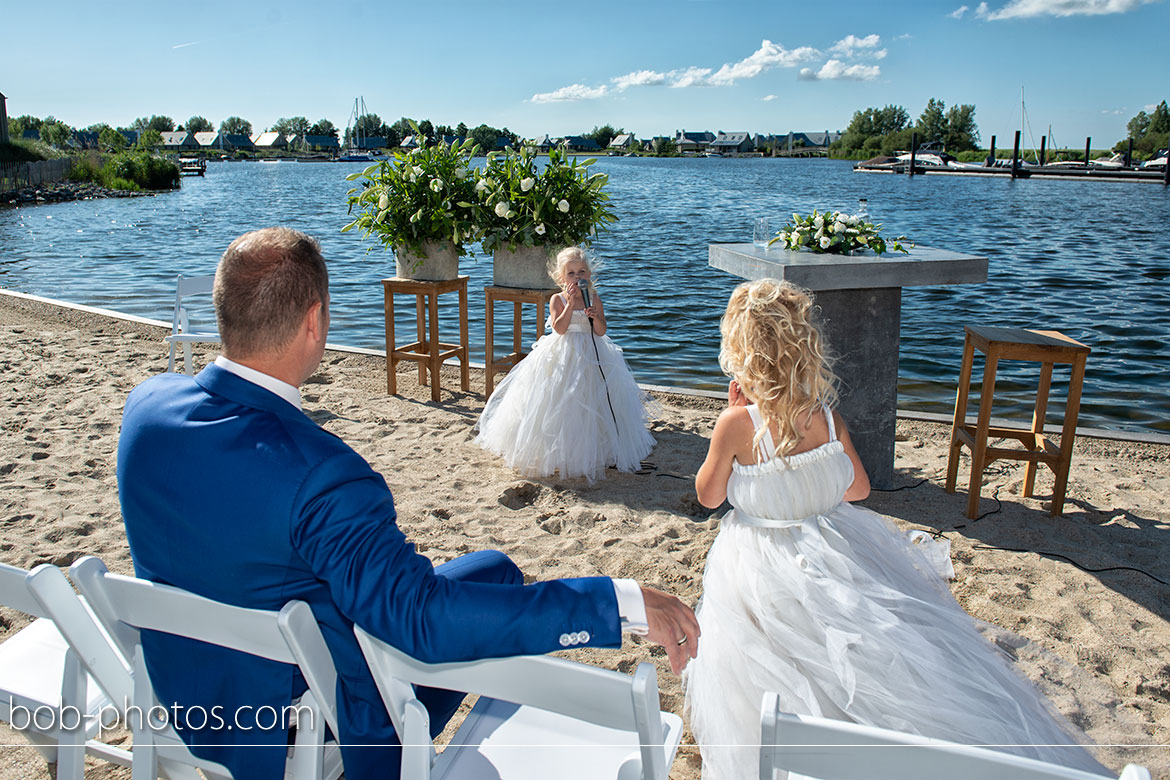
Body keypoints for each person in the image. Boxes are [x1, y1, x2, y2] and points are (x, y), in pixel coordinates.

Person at [116, 228, 699, 780]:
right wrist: (617, 602)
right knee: (488, 583)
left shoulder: (145, 410)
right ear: (316, 321)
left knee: (493, 569)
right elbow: (422, 620)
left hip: (185, 699)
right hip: (301, 726)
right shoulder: (322, 473)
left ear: (224, 311)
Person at [682, 279, 1104, 780]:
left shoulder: (736, 424)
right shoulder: (826, 417)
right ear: (803, 345)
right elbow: (858, 490)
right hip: (833, 546)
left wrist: (733, 416)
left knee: (760, 660)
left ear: (741, 351)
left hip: (755, 566)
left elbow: (708, 497)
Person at [475, 246, 654, 482]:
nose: (577, 277)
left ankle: (598, 449)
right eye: (571, 273)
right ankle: (558, 452)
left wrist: (594, 317)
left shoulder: (595, 298)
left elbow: (601, 331)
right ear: (561, 278)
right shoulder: (557, 299)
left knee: (592, 398)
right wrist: (570, 304)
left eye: (581, 272)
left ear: (589, 274)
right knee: (560, 400)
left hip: (592, 353)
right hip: (563, 353)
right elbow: (559, 328)